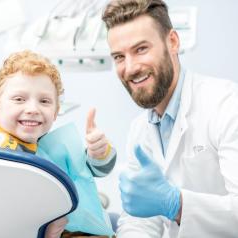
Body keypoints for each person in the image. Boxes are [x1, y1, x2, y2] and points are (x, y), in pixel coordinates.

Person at [101, 0, 238, 237]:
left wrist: (177, 204)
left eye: (141, 49)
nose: (130, 67)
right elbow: (140, 221)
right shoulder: (139, 130)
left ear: (172, 42)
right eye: (119, 57)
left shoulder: (227, 105)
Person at [0, 50, 117, 237]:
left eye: (44, 101)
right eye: (19, 99)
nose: (32, 109)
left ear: (55, 112)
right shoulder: (3, 152)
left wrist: (99, 153)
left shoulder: (41, 146)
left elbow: (91, 170)